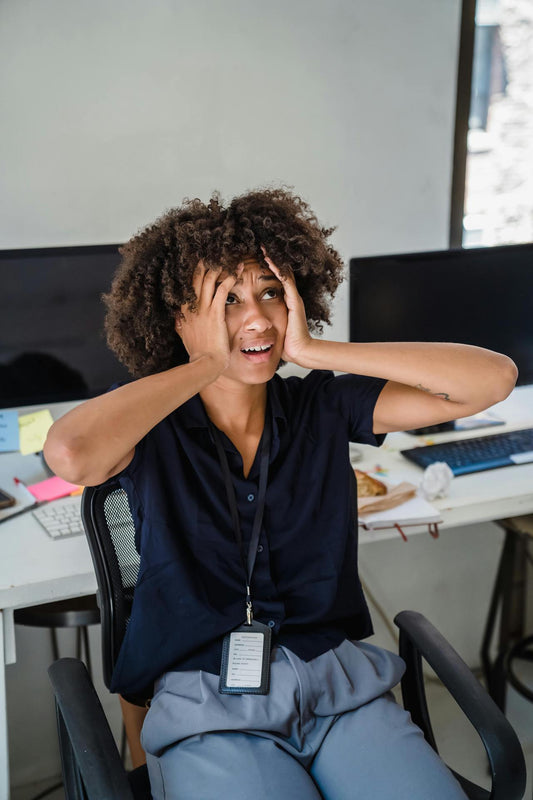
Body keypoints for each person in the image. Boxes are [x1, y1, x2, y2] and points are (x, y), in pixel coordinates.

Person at [44, 188, 517, 799]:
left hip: (341, 691)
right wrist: (206, 362)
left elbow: (493, 380)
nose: (257, 318)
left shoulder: (322, 404)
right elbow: (70, 453)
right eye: (227, 300)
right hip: (208, 707)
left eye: (270, 292)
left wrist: (314, 350)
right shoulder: (150, 425)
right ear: (176, 315)